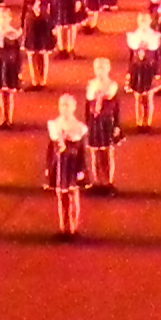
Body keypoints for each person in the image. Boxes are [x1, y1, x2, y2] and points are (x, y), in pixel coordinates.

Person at [45, 92, 93, 239]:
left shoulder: (79, 127)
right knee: (61, 197)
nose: (64, 108)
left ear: (73, 107)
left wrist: (82, 169)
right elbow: (50, 150)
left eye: (67, 105)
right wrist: (49, 167)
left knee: (73, 195)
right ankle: (63, 227)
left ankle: (73, 227)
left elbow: (82, 151)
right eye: (62, 105)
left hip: (72, 165)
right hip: (59, 165)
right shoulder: (54, 125)